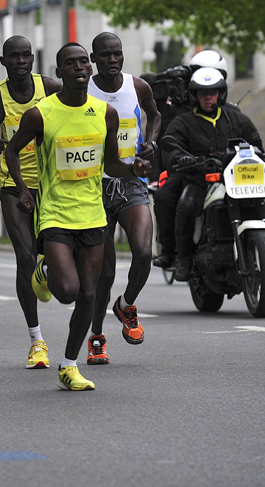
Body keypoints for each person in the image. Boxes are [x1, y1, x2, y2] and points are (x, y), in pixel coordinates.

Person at [5, 42, 150, 391]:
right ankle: (46, 269)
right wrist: (23, 189)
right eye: (71, 63)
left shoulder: (104, 113)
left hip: (93, 215)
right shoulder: (42, 113)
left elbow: (111, 163)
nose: (80, 67)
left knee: (88, 293)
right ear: (60, 72)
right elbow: (11, 150)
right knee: (68, 292)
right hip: (55, 215)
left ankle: (69, 365)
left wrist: (133, 169)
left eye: (84, 61)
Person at [0, 35, 61, 369]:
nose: (21, 61)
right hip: (12, 185)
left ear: (33, 60)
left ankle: (46, 268)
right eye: (14, 57)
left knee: (45, 254)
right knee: (25, 255)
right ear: (4, 61)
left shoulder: (51, 88)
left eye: (26, 56)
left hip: (51, 185)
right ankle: (37, 341)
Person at [86, 32, 160, 364]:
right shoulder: (82, 89)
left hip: (131, 180)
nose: (113, 60)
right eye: (105, 55)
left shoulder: (138, 86)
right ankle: (97, 335)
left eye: (117, 54)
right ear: (94, 58)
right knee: (104, 271)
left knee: (144, 252)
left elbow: (155, 116)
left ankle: (127, 304)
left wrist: (152, 144)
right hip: (95, 186)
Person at [155, 68, 265, 282]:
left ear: (221, 93)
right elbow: (170, 148)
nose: (208, 97)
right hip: (200, 179)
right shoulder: (183, 122)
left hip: (237, 178)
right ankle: (184, 259)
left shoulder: (236, 119)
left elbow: (256, 144)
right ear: (194, 95)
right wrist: (182, 159)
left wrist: (260, 154)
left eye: (213, 92)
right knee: (186, 205)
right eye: (203, 93)